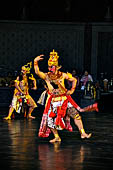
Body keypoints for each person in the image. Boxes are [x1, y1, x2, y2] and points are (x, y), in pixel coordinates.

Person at [34, 50, 98, 143]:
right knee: (49, 120)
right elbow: (37, 72)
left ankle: (83, 133)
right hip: (53, 102)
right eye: (49, 66)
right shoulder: (46, 76)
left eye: (51, 66)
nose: (49, 68)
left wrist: (72, 90)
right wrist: (35, 62)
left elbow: (74, 80)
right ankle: (56, 136)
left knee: (76, 115)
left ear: (56, 67)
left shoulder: (63, 75)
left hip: (64, 100)